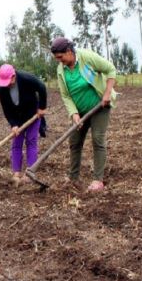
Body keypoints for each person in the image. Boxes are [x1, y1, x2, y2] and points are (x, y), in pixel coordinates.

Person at [50, 37, 117, 192]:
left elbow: (110, 69)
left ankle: (98, 180)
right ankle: (73, 178)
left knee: (97, 139)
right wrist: (74, 114)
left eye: (60, 57)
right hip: (80, 110)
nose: (58, 61)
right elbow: (66, 95)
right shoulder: (61, 70)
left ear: (68, 51)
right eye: (56, 58)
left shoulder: (86, 57)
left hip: (99, 106)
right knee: (74, 142)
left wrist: (107, 94)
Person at [0, 64, 47, 184]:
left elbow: (42, 87)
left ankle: (30, 172)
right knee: (16, 143)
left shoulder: (26, 78)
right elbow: (6, 110)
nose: (7, 85)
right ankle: (16, 173)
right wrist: (13, 124)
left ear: (13, 76)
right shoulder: (1, 90)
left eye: (9, 81)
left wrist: (41, 107)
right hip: (17, 118)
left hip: (32, 115)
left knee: (31, 141)